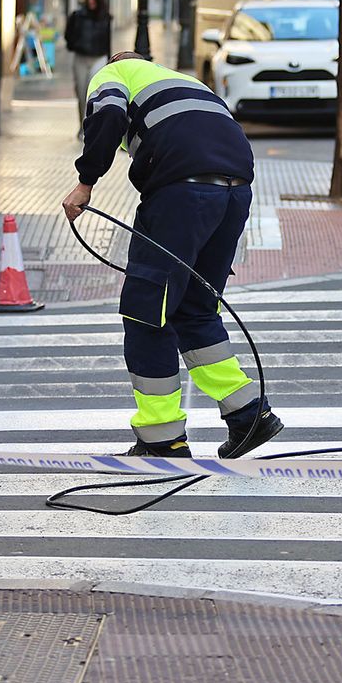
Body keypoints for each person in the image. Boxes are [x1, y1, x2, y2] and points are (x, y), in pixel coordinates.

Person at [59, 51, 284, 459]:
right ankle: (249, 414)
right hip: (235, 189)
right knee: (195, 310)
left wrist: (85, 182)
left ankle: (162, 438)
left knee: (147, 312)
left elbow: (107, 117)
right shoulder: (183, 80)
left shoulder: (113, 74)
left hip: (181, 193)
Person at [64, 0, 112, 117]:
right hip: (81, 57)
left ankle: (90, 126)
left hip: (99, 58)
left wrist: (110, 61)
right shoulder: (78, 15)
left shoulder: (105, 17)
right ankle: (82, 125)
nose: (91, 1)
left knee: (93, 93)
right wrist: (74, 45)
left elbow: (108, 40)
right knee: (81, 94)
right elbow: (68, 34)